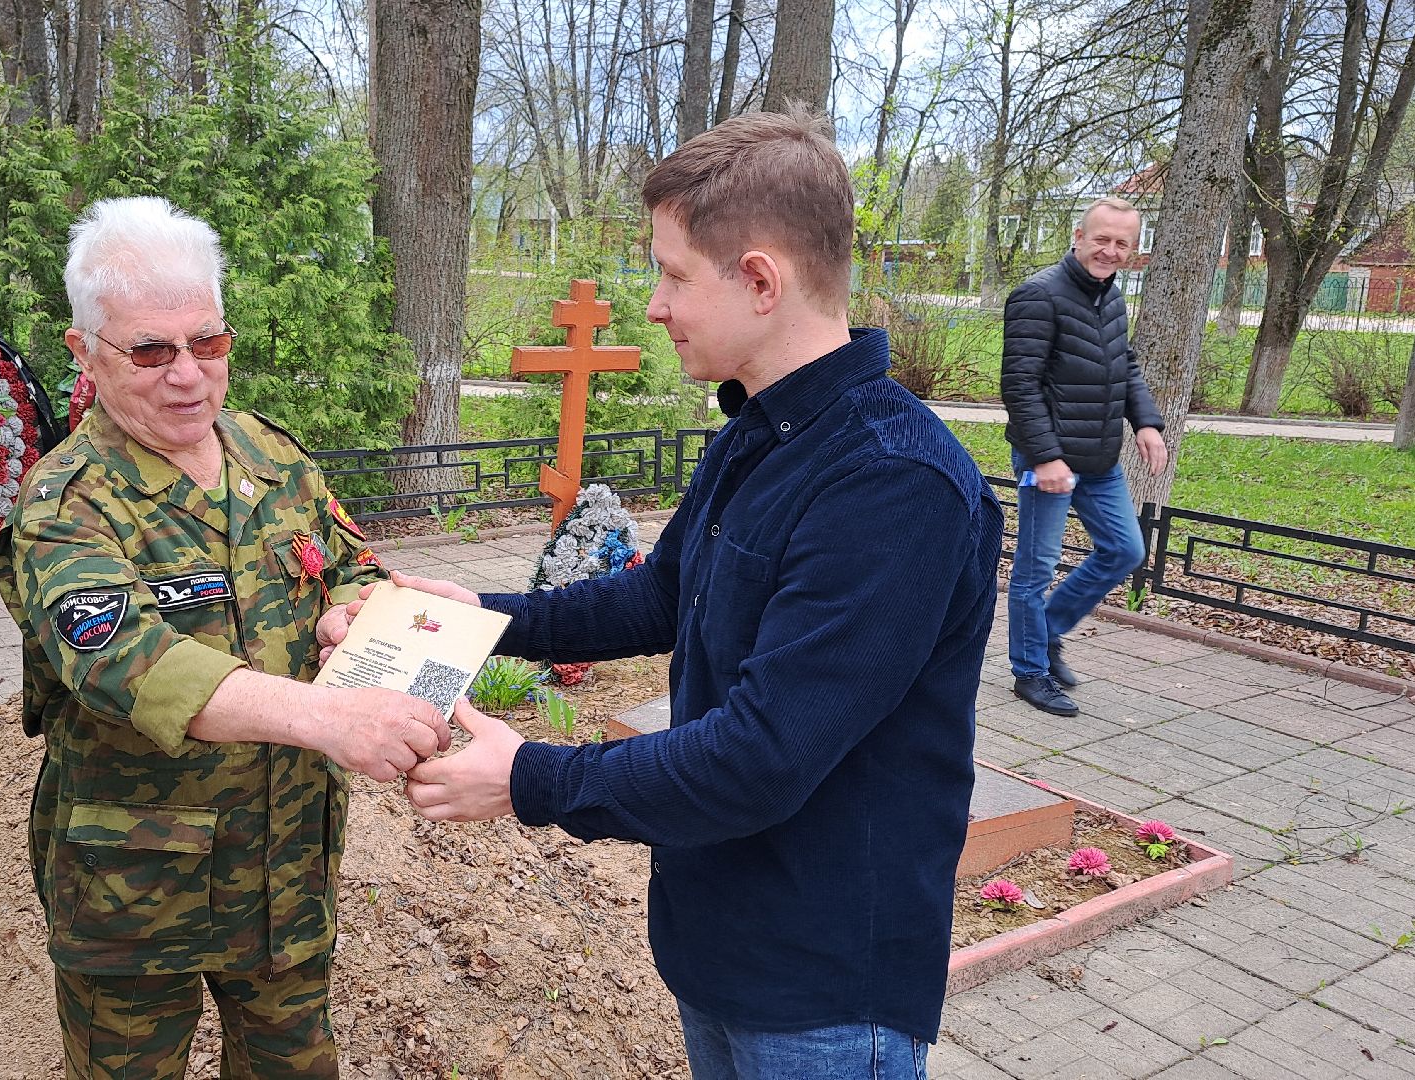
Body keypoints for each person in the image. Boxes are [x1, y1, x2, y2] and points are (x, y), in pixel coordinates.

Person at [337, 108, 1004, 1080]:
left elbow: (762, 757)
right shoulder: (760, 431)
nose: (653, 304)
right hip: (721, 941)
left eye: (673, 273)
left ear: (762, 280)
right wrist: (480, 616)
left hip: (823, 989)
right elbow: (660, 598)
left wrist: (529, 779)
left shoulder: (892, 484)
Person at [0, 195, 451, 1080]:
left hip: (282, 866)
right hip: (136, 889)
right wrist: (331, 720)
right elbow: (127, 664)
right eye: (151, 351)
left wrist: (346, 612)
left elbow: (349, 562)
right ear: (84, 353)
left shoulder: (270, 458)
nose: (187, 376)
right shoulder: (66, 504)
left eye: (207, 343)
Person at [1000, 196, 1167, 718]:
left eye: (1122, 243)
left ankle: (1046, 632)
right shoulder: (1037, 295)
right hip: (1046, 462)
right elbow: (1019, 386)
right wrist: (1046, 458)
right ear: (1078, 236)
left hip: (1098, 458)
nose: (1110, 250)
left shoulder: (1111, 299)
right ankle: (1029, 672)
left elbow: (1126, 366)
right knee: (1035, 570)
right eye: (1102, 239)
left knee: (1124, 551)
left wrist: (1147, 422)